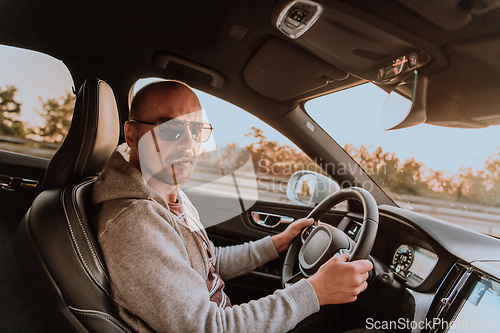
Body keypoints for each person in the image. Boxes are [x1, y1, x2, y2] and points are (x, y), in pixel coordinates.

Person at [92, 80, 374, 332]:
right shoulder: (134, 223)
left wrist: (277, 242)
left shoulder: (167, 191)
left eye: (196, 130)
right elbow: (208, 327)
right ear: (131, 135)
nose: (190, 144)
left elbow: (208, 261)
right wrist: (315, 291)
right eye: (173, 129)